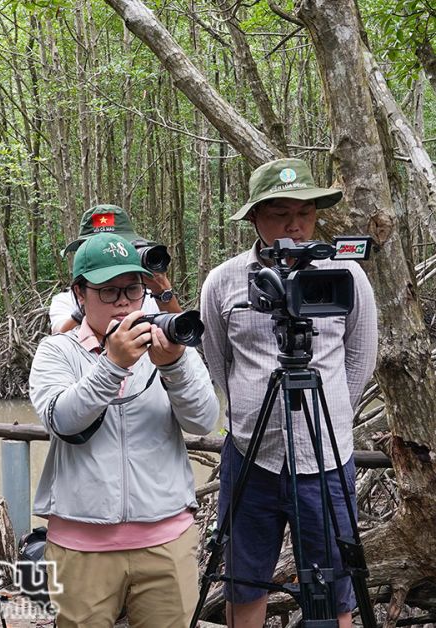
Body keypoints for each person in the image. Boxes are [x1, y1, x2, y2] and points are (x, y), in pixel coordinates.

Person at [200, 158, 378, 628]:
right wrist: (251, 411)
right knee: (244, 580)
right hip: (250, 454)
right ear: (255, 219)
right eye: (280, 213)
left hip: (326, 455)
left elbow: (359, 359)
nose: (295, 226)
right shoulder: (223, 281)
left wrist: (333, 414)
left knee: (337, 589)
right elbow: (218, 363)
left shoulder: (347, 276)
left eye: (305, 212)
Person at [29, 231, 218, 627]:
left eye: (132, 291)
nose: (123, 304)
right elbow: (62, 420)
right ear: (80, 294)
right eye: (108, 292)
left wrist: (174, 365)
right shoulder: (56, 350)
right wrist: (112, 363)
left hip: (167, 540)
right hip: (80, 547)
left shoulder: (167, 344)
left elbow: (203, 420)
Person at [50, 205, 180, 334]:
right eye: (100, 249)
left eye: (122, 247)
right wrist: (89, 302)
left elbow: (182, 340)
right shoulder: (65, 301)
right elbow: (60, 336)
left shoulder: (145, 297)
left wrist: (162, 291)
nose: (114, 255)